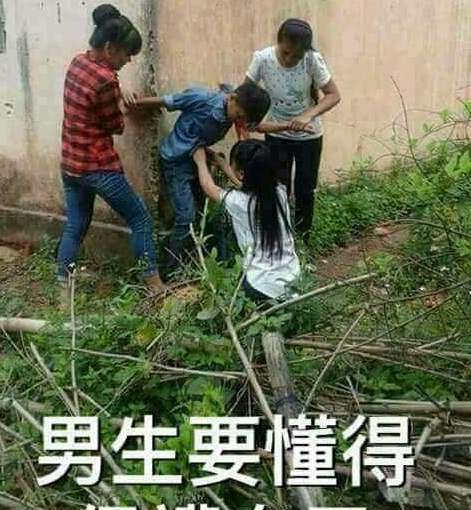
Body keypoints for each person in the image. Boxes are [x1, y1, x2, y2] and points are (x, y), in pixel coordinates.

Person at [57, 4, 164, 306]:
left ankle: (64, 293)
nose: (129, 60)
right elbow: (114, 126)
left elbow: (91, 99)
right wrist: (125, 106)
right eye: (127, 54)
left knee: (76, 225)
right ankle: (154, 285)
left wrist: (117, 92)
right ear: (109, 48)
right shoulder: (107, 81)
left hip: (71, 162)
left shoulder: (78, 62)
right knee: (140, 219)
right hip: (98, 166)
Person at [127, 82, 271, 274]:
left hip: (197, 160)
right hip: (177, 161)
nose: (240, 122)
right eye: (239, 117)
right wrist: (136, 102)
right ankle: (172, 270)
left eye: (244, 120)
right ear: (232, 99)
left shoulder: (233, 111)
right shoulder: (202, 99)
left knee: (209, 214)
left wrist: (212, 160)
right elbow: (169, 101)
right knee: (186, 217)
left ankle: (219, 265)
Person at [245, 18, 341, 234]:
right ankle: (282, 237)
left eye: (296, 56)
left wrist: (308, 115)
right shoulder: (263, 59)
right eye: (285, 52)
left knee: (306, 190)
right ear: (278, 42)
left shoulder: (312, 60)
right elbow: (246, 92)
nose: (289, 59)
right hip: (277, 136)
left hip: (310, 136)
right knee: (279, 189)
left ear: (305, 52)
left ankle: (303, 238)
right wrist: (248, 118)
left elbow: (334, 95)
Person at [193, 140, 300, 303]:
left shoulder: (239, 202)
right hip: (292, 280)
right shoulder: (280, 193)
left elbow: (209, 188)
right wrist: (224, 165)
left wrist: (200, 161)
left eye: (232, 164)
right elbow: (250, 183)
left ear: (242, 173)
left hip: (261, 287)